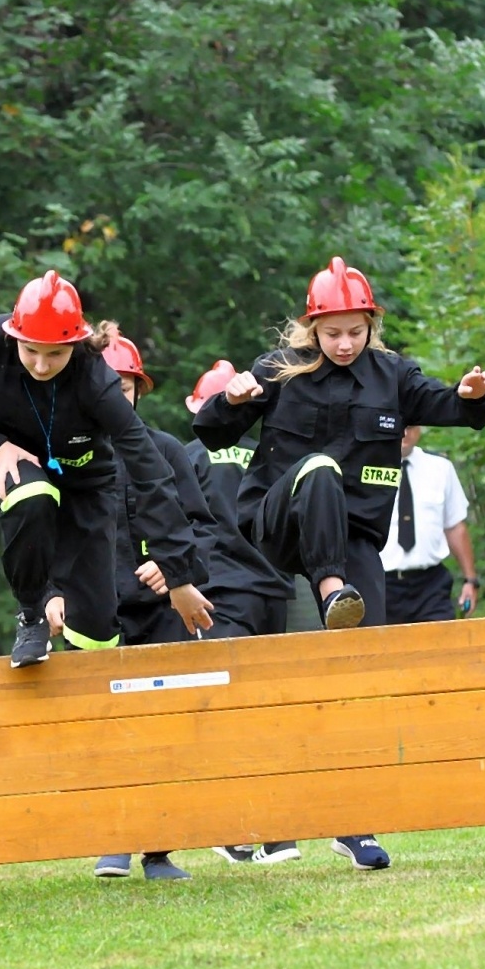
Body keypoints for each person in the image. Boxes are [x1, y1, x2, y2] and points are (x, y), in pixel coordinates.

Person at [193, 256, 485, 870]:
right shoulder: (278, 370)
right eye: (332, 333)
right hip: (280, 527)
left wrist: (475, 396)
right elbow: (210, 432)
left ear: (371, 325)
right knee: (319, 469)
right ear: (312, 327)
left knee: (361, 675)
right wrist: (231, 399)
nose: (343, 343)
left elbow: (453, 408)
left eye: (355, 332)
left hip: (355, 537)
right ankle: (332, 587)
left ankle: (354, 824)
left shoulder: (394, 376)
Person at [0, 270, 212, 666]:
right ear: (14, 336)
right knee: (32, 493)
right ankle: (30, 615)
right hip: (3, 458)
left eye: (55, 355)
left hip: (86, 482)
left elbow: (150, 468)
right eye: (31, 351)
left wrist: (178, 574)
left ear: (75, 344)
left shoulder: (96, 379)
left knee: (98, 632)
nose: (41, 366)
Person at [88, 328, 213, 882]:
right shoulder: (71, 455)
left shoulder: (166, 451)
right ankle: (113, 841)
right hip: (99, 616)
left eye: (124, 386)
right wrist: (54, 594)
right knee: (108, 729)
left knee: (163, 727)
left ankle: (158, 850)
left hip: (163, 614)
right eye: (105, 386)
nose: (116, 396)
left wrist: (174, 568)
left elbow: (202, 528)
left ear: (139, 390)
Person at [183, 358, 301, 866]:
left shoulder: (186, 456)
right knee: (267, 711)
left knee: (224, 714)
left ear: (196, 406)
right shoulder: (268, 455)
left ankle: (236, 829)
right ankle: (277, 833)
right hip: (273, 591)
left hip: (217, 595)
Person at [379, 425, 481, 624]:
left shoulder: (440, 468)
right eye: (399, 427)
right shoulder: (364, 469)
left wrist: (470, 580)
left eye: (410, 426)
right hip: (382, 586)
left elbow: (455, 527)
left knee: (441, 642)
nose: (404, 433)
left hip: (430, 586)